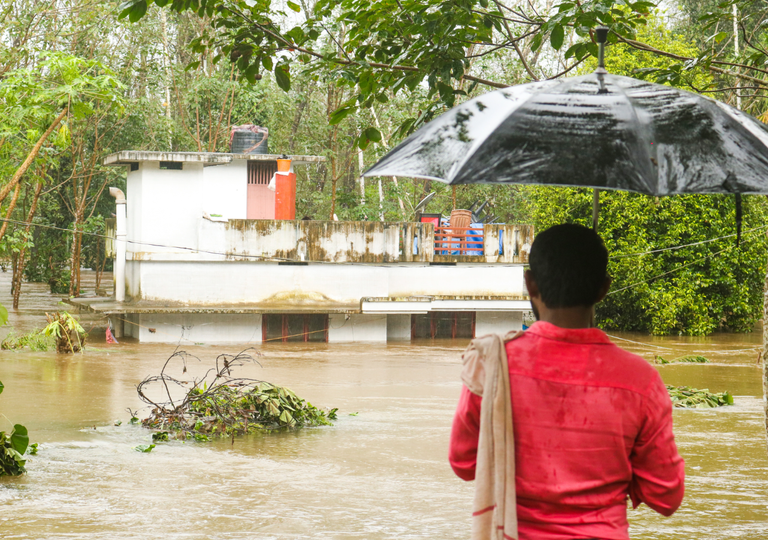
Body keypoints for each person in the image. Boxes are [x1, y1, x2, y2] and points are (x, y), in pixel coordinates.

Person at [449, 223, 685, 540]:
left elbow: (463, 463)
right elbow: (666, 497)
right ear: (603, 288)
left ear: (530, 284)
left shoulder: (491, 364)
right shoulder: (642, 381)